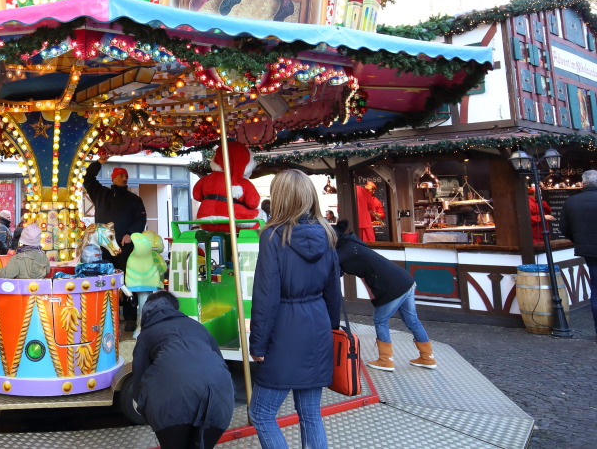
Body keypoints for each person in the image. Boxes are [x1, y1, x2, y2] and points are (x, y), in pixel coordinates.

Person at [248, 169, 340, 449]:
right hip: (318, 326)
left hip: (285, 331)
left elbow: (267, 295)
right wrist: (332, 329)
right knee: (310, 414)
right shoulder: (327, 233)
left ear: (279, 198)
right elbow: (334, 291)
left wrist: (258, 345)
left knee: (261, 413)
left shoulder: (273, 237)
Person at [131, 290, 235, 449]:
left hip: (170, 405)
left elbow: (138, 383)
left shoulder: (146, 335)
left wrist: (149, 414)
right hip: (219, 399)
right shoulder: (198, 327)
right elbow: (220, 363)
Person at [334, 221, 437, 371]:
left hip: (393, 286)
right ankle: (427, 357)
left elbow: (329, 262)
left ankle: (385, 360)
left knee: (380, 319)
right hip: (405, 281)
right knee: (412, 320)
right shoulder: (353, 245)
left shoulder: (346, 249)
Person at [84, 157, 147, 331]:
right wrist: (98, 163)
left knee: (128, 281)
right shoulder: (100, 194)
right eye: (120, 175)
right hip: (103, 249)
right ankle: (105, 316)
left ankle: (130, 318)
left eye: (125, 175)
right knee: (103, 281)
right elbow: (88, 179)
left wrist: (131, 233)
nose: (124, 178)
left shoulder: (134, 200)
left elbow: (141, 219)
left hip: (124, 248)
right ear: (113, 178)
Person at [559, 169, 597, 337]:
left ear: (583, 183)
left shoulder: (572, 201)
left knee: (596, 289)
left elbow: (563, 228)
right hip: (588, 249)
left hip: (588, 251)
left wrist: (579, 240)